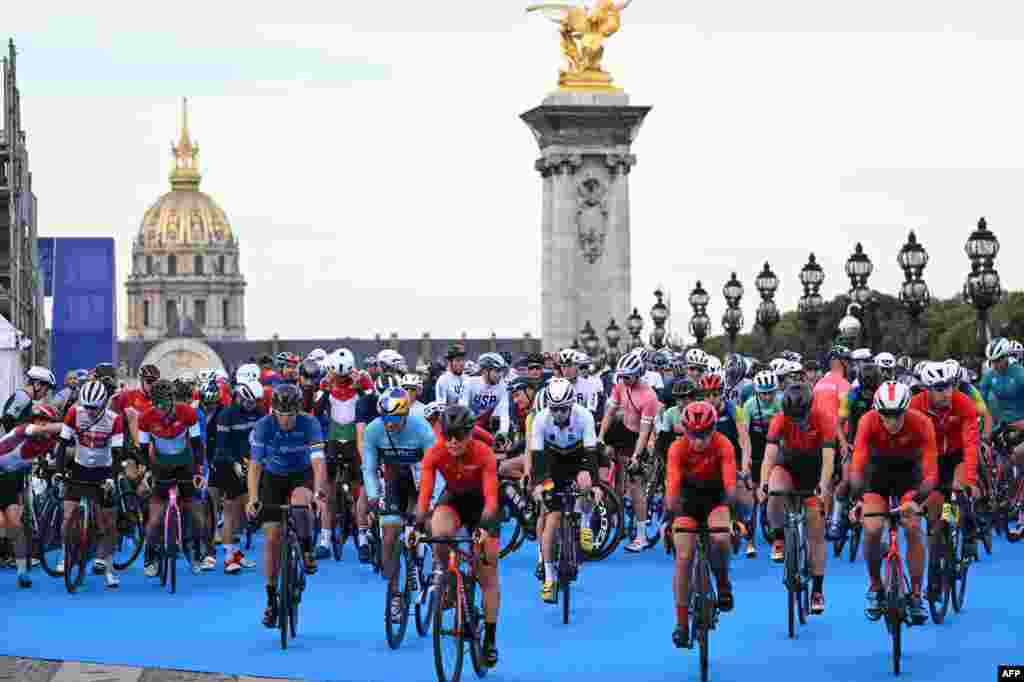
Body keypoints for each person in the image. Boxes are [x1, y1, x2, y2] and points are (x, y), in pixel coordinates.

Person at [417, 405, 501, 667]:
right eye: (447, 435)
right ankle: (447, 580)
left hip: (482, 508)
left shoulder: (484, 453)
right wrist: (418, 525)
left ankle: (489, 639)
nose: (452, 442)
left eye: (458, 436)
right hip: (453, 500)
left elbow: (490, 499)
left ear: (470, 435)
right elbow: (425, 497)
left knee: (487, 571)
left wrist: (485, 528)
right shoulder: (435, 452)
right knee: (438, 532)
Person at [849, 381, 937, 624]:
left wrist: (917, 501)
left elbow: (930, 473)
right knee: (873, 528)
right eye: (886, 415)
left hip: (910, 478)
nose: (892, 420)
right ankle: (876, 586)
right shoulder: (867, 421)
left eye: (897, 414)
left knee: (912, 527)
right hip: (876, 476)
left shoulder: (921, 423)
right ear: (878, 411)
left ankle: (917, 594)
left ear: (906, 409)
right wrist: (857, 499)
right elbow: (857, 465)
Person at [246, 384, 327, 628]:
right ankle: (271, 601)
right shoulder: (263, 426)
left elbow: (318, 461)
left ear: (298, 411)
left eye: (290, 415)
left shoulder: (310, 423)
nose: (286, 420)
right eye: (281, 414)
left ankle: (306, 550)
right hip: (273, 478)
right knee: (271, 538)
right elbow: (255, 466)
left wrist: (319, 493)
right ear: (274, 412)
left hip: (302, 475)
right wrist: (252, 498)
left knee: (301, 503)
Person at [361, 387, 436, 622]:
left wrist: (430, 502)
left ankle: (428, 564)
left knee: (424, 522)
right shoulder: (374, 430)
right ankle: (395, 595)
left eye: (394, 418)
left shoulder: (422, 429)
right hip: (394, 481)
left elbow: (436, 468)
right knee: (390, 536)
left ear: (404, 415)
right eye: (385, 418)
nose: (389, 423)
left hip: (419, 480)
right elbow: (369, 468)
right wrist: (373, 496)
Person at [666, 401, 736, 649]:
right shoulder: (676, 449)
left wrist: (731, 518)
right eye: (693, 435)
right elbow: (672, 491)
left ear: (714, 429)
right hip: (687, 502)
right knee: (684, 556)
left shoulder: (723, 444)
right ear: (685, 431)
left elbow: (729, 486)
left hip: (716, 499)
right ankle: (682, 623)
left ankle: (724, 582)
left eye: (704, 435)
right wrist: (670, 519)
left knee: (720, 538)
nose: (698, 441)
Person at [762, 383, 836, 614]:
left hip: (814, 472)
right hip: (788, 466)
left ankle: (817, 589)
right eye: (793, 418)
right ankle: (779, 537)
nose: (798, 422)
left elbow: (828, 461)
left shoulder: (824, 419)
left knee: (815, 531)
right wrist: (763, 485)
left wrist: (823, 489)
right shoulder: (779, 420)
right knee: (774, 491)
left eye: (801, 418)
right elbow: (769, 457)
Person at [530, 378, 601, 602]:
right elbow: (538, 460)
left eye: (562, 409)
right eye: (554, 409)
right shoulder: (541, 420)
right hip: (552, 463)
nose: (558, 414)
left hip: (578, 458)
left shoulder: (585, 417)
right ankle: (550, 578)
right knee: (551, 519)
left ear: (571, 405)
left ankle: (585, 521)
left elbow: (591, 456)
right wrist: (540, 485)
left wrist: (595, 485)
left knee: (586, 482)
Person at [911, 362, 980, 574]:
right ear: (927, 389)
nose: (946, 393)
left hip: (956, 455)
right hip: (931, 459)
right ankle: (936, 560)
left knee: (958, 488)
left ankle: (968, 528)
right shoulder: (915, 405)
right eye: (940, 389)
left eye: (950, 386)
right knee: (935, 515)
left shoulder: (964, 403)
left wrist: (972, 480)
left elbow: (970, 444)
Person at [55, 381, 124, 587]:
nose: (89, 411)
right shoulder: (74, 413)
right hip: (80, 467)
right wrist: (59, 472)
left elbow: (118, 453)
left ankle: (109, 568)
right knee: (68, 516)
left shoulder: (115, 420)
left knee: (108, 524)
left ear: (103, 404)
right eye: (86, 407)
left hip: (104, 470)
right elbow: (62, 445)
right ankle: (65, 555)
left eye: (94, 407)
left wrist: (112, 477)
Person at [138, 379, 205, 578]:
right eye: (157, 406)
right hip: (160, 467)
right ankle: (150, 555)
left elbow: (196, 444)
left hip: (186, 465)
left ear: (172, 400)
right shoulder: (146, 417)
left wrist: (199, 470)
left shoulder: (188, 413)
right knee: (155, 519)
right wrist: (147, 471)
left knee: (196, 514)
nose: (161, 410)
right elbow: (142, 449)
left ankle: (194, 550)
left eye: (165, 405)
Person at [598, 352, 660, 552]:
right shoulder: (620, 386)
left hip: (637, 438)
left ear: (639, 373)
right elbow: (609, 413)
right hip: (620, 431)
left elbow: (644, 432)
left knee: (635, 487)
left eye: (628, 377)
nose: (624, 380)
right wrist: (600, 438)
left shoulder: (649, 396)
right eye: (621, 376)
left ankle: (641, 537)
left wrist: (636, 455)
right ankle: (617, 521)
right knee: (609, 473)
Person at [0, 404, 62, 587]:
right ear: (35, 420)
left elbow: (63, 454)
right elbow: (41, 429)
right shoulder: (23, 429)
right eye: (41, 420)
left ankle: (22, 574)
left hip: (11, 479)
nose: (44, 425)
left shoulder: (48, 442)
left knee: (15, 525)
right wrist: (71, 424)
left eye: (47, 421)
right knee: (2, 523)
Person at [212, 380, 264, 573]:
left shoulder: (259, 412)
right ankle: (228, 558)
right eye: (249, 402)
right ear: (240, 397)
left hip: (250, 465)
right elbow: (221, 446)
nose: (252, 406)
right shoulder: (226, 415)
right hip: (228, 464)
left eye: (255, 403)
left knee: (244, 513)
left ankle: (235, 551)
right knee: (231, 511)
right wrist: (234, 463)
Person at [2, 366, 56, 432]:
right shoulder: (23, 397)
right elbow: (7, 420)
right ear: (37, 385)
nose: (45, 394)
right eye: (46, 390)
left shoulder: (26, 398)